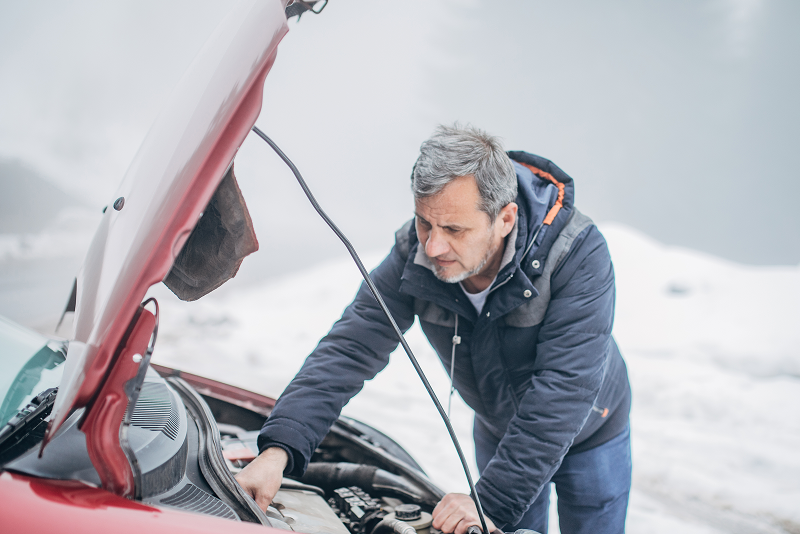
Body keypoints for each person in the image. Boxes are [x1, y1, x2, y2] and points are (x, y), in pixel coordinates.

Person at [236, 124, 632, 534]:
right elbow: (350, 348)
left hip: (591, 432)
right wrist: (278, 449)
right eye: (425, 223)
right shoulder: (416, 254)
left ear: (505, 219)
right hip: (500, 430)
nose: (433, 248)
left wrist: (492, 502)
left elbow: (564, 387)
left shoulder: (576, 254)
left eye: (455, 230)